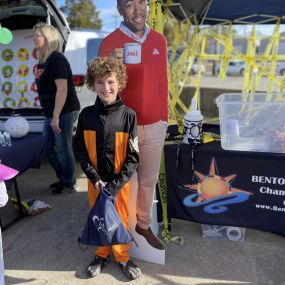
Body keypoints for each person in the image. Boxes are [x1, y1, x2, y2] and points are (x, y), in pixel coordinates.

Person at [99, 0, 168, 250]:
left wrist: (164, 118)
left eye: (142, 2)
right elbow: (102, 90)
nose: (138, 9)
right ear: (120, 10)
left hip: (155, 124)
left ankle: (143, 225)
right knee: (123, 182)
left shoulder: (159, 40)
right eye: (129, 4)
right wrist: (111, 66)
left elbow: (163, 83)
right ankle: (119, 231)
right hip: (123, 126)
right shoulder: (110, 42)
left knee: (148, 180)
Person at [73, 57, 141, 280]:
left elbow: (133, 156)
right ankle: (101, 254)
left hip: (119, 184)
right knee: (99, 218)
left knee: (120, 219)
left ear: (119, 82)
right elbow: (80, 149)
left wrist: (117, 184)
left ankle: (122, 257)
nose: (106, 88)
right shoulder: (86, 116)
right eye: (100, 82)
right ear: (93, 84)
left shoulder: (128, 116)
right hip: (96, 183)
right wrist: (93, 178)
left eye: (110, 82)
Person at [33, 23, 80, 195]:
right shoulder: (43, 61)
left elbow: (62, 89)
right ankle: (64, 178)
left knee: (63, 148)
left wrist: (55, 116)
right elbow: (46, 89)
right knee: (48, 148)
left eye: (38, 35)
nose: (34, 38)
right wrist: (38, 78)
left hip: (64, 110)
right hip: (52, 111)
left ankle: (69, 182)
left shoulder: (57, 59)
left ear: (48, 38)